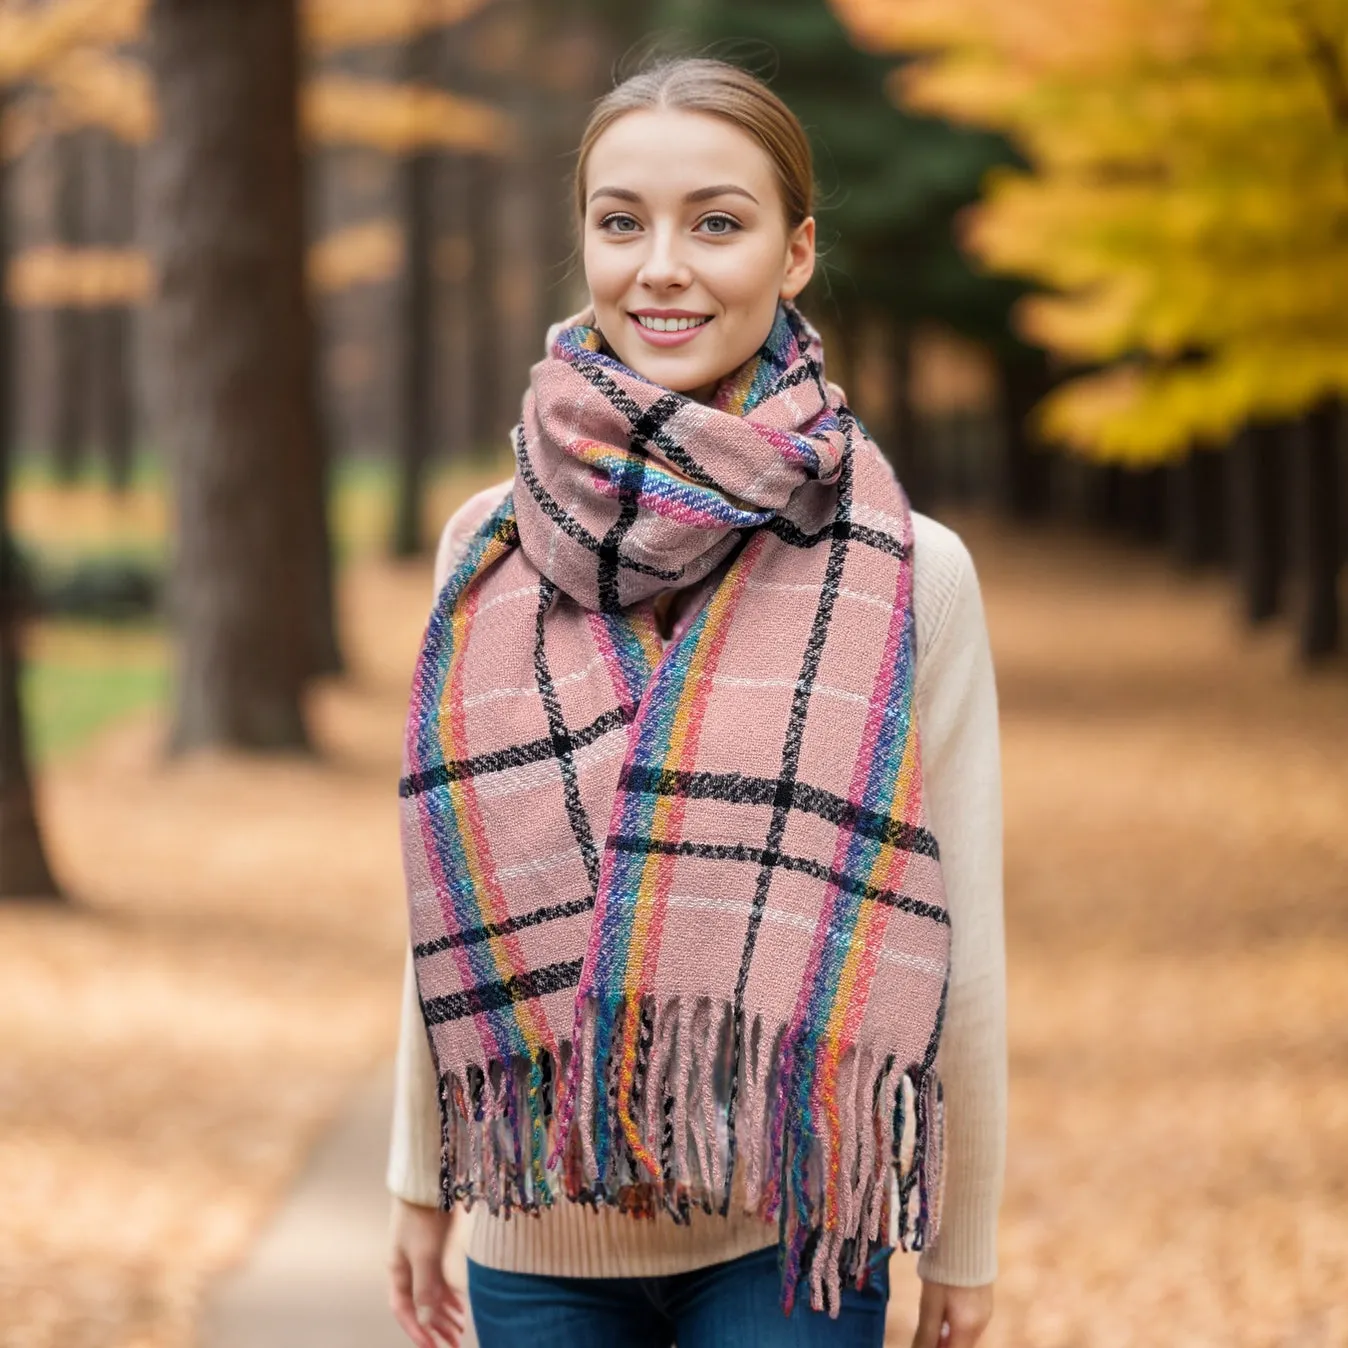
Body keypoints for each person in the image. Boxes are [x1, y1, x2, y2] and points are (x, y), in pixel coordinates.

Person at [386, 57, 1006, 1348]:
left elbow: (962, 931)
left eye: (715, 222)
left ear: (795, 253)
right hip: (539, 1231)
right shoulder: (486, 547)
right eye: (622, 222)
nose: (660, 266)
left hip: (785, 1233)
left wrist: (964, 1235)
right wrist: (421, 1175)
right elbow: (453, 889)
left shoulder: (905, 569)